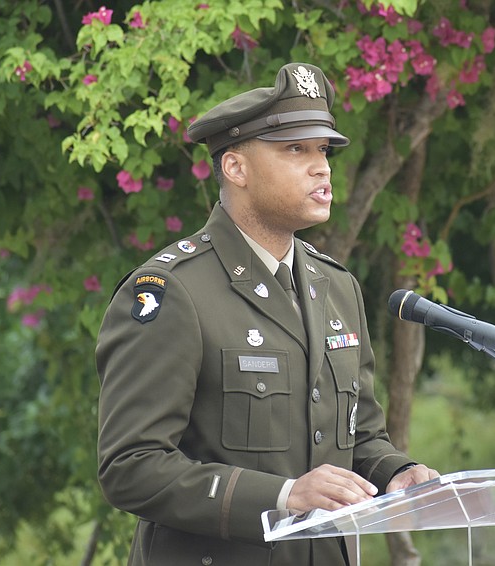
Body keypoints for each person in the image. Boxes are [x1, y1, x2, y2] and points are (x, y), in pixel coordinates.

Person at [95, 61, 439, 565]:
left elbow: (359, 435)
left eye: (322, 150)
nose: (321, 166)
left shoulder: (337, 287)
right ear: (236, 168)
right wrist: (281, 497)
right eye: (295, 149)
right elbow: (131, 466)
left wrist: (395, 470)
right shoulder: (174, 291)